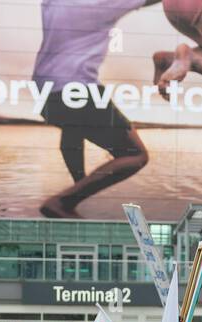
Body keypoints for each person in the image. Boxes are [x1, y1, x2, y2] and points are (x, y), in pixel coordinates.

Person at [34, 0, 152, 218]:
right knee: (136, 154)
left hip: (44, 88)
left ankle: (76, 190)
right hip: (78, 87)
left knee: (72, 128)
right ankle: (63, 201)